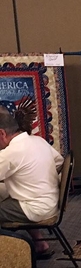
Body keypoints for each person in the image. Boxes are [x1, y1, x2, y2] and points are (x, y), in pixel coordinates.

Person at [0, 102, 63, 257]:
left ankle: (10, 257)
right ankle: (40, 243)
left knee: (12, 197)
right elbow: (60, 162)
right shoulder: (38, 141)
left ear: (1, 133)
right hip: (51, 201)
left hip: (36, 208)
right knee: (9, 192)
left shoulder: (10, 153)